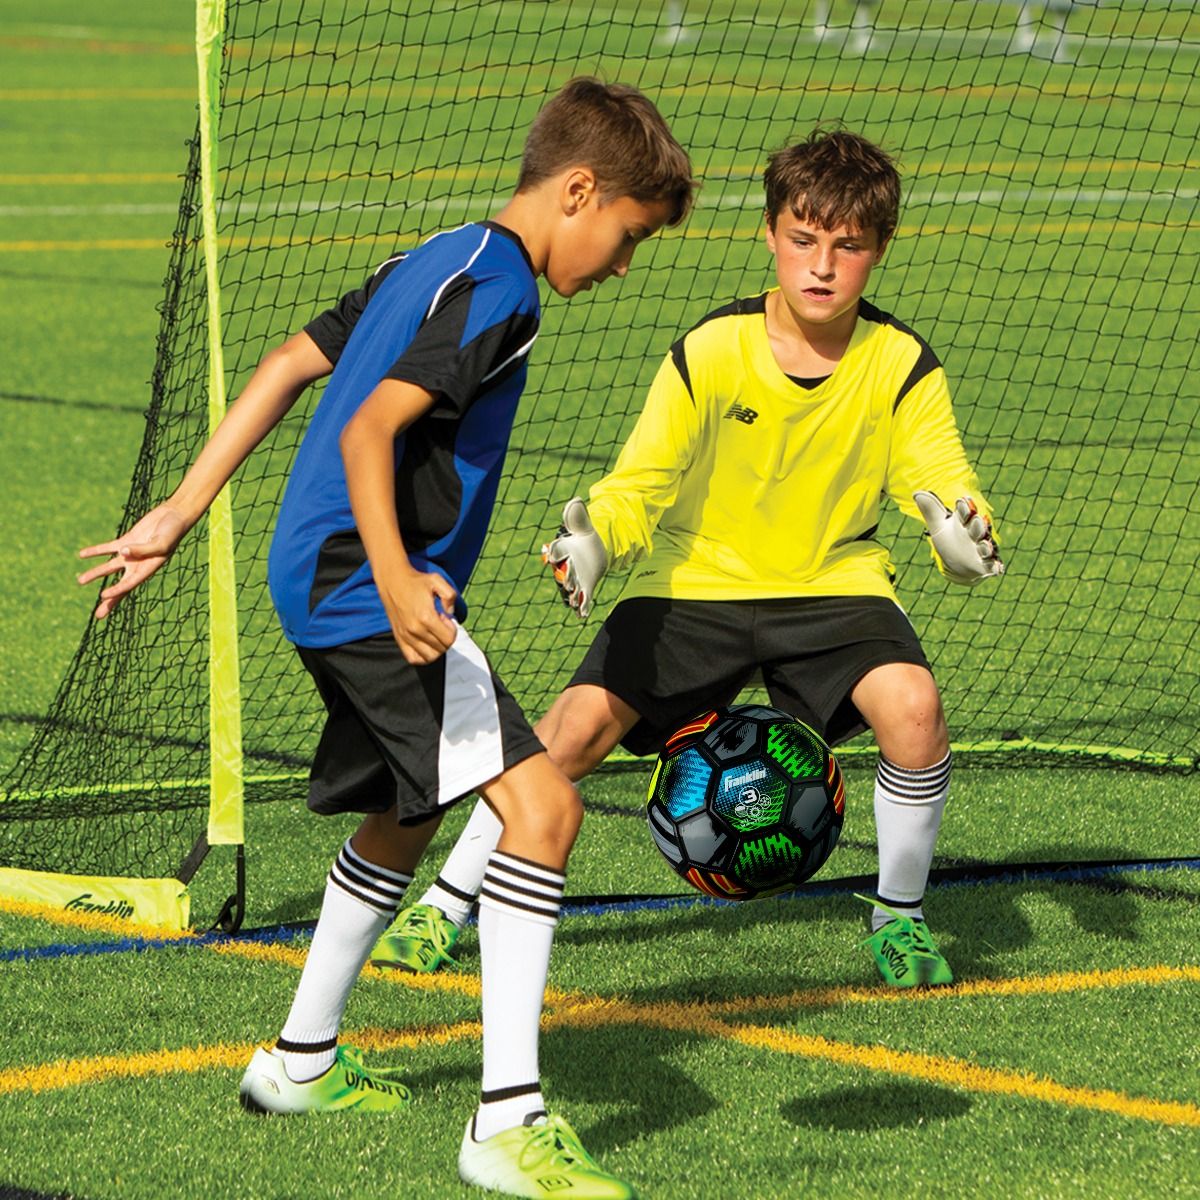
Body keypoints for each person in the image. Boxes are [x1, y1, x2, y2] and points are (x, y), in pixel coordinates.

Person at [77, 77, 695, 1200]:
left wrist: (179, 512)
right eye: (628, 236)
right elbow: (368, 428)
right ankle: (506, 1125)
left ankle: (298, 1061)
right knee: (545, 807)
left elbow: (287, 360)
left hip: (318, 575)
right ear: (578, 189)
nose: (622, 264)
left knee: (409, 809)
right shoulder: (501, 289)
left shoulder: (444, 250)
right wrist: (402, 573)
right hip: (365, 588)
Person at [375, 127, 1004, 992]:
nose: (821, 266)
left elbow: (944, 483)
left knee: (916, 707)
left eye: (848, 247)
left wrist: (962, 541)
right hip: (694, 581)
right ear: (771, 235)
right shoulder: (712, 348)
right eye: (803, 239)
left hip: (831, 582)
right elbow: (642, 482)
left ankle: (898, 916)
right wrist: (597, 538)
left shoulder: (901, 366)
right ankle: (445, 906)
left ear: (879, 249)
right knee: (571, 730)